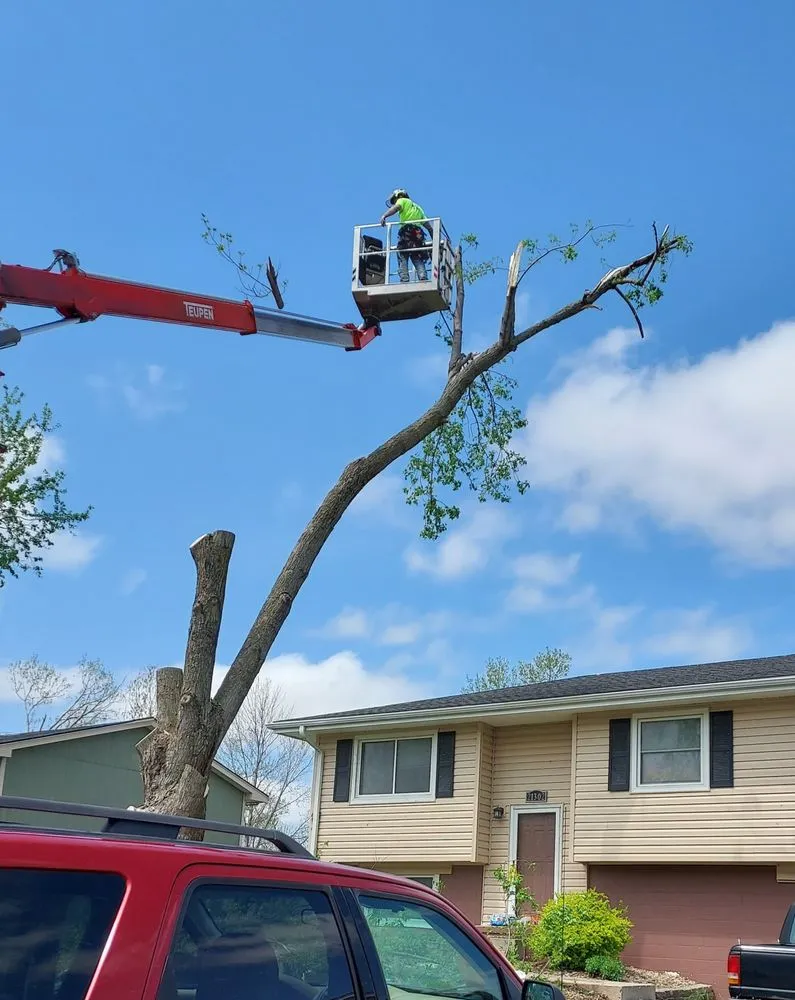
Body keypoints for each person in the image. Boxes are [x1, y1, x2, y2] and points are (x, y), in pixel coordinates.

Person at [380, 189, 434, 283]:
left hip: (407, 232)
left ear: (398, 196)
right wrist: (435, 241)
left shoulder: (402, 200)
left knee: (402, 254)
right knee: (417, 256)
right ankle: (423, 278)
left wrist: (384, 216)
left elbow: (396, 207)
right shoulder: (418, 207)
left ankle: (404, 279)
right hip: (418, 235)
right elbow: (429, 227)